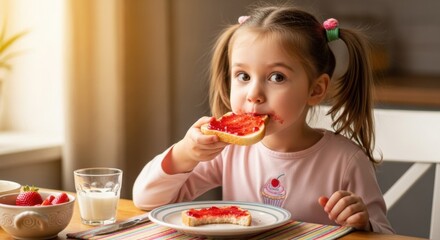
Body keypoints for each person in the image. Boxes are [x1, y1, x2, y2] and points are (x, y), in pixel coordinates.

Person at [133, 4, 394, 234]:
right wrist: (184, 154)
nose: (254, 94)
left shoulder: (346, 161)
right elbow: (147, 200)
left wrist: (363, 223)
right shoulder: (229, 151)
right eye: (243, 76)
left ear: (315, 90)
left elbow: (384, 234)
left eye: (276, 77)